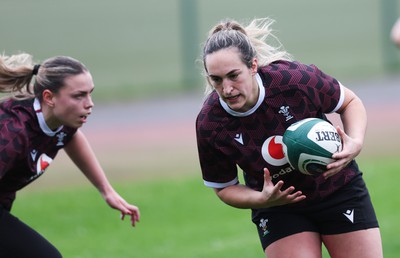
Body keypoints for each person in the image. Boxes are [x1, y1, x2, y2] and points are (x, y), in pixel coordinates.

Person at [195, 18, 383, 258]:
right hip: (278, 209)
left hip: (337, 189)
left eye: (234, 75)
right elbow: (224, 188)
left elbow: (349, 102)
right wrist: (261, 199)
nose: (227, 89)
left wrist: (355, 142)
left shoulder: (293, 80)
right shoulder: (210, 123)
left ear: (253, 66)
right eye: (217, 80)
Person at [0, 53, 140, 257]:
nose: (89, 103)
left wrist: (106, 190)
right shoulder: (12, 134)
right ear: (49, 97)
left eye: (90, 93)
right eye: (78, 96)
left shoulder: (59, 121)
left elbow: (70, 137)